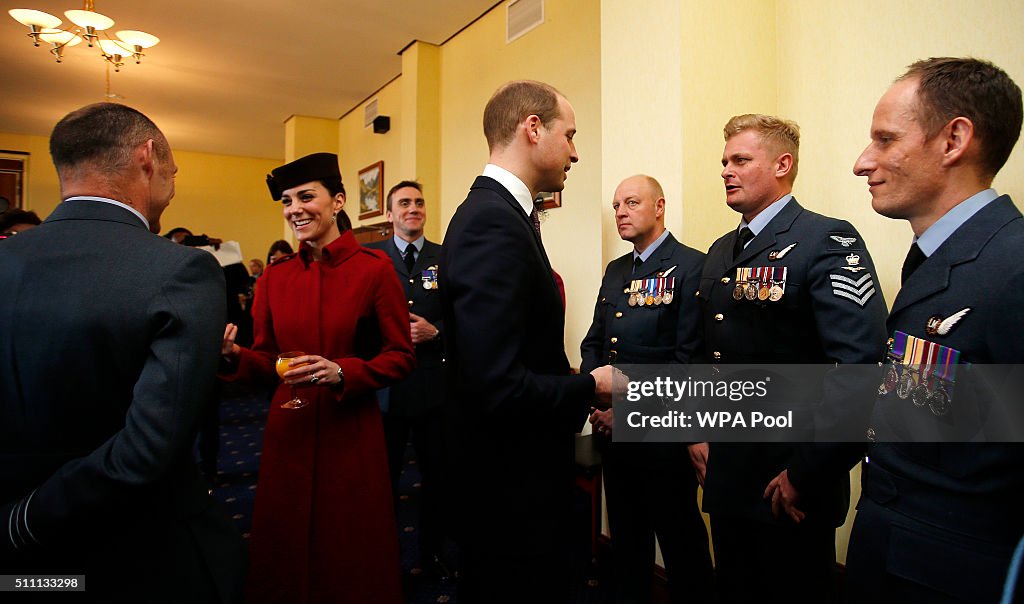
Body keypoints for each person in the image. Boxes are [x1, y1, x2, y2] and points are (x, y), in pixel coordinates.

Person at [0, 102, 246, 601]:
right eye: (173, 173)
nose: (172, 190)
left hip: (23, 570)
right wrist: (26, 518)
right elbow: (148, 448)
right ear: (147, 157)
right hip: (135, 552)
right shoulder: (180, 270)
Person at [846, 57, 1024, 603]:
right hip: (898, 556)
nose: (862, 162)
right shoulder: (940, 258)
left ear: (953, 140)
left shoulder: (1013, 267)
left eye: (884, 139)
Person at [695, 114, 888, 603]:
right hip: (728, 473)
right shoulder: (721, 252)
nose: (725, 171)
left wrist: (807, 474)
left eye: (740, 160)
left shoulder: (825, 240)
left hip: (790, 483)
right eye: (724, 162)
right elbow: (706, 353)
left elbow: (860, 366)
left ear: (783, 164)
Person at [439, 80, 615, 603]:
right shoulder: (492, 222)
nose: (576, 152)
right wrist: (589, 386)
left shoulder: (505, 215)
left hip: (515, 481)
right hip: (509, 491)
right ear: (532, 129)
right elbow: (496, 385)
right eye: (571, 135)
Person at [220, 152, 415, 603]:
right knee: (285, 546)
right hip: (289, 431)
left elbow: (401, 356)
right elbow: (267, 361)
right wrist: (233, 357)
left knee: (349, 546)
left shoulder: (374, 269)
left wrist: (343, 370)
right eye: (287, 201)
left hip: (351, 431)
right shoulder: (273, 278)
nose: (295, 209)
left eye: (307, 196)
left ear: (337, 201)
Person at [581, 174, 714, 603]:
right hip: (613, 436)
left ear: (659, 207)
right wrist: (594, 398)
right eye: (616, 204)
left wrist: (629, 411)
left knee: (681, 544)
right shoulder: (617, 270)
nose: (620, 211)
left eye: (631, 202)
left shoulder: (693, 265)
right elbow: (595, 343)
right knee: (627, 543)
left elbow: (687, 360)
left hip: (663, 440)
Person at [364, 180, 452, 578]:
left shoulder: (445, 257)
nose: (412, 208)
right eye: (403, 203)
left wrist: (437, 332)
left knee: (437, 481)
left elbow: (463, 313)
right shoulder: (370, 258)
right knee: (383, 481)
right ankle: (380, 559)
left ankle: (431, 554)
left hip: (434, 387)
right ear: (389, 213)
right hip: (386, 389)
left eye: (418, 202)